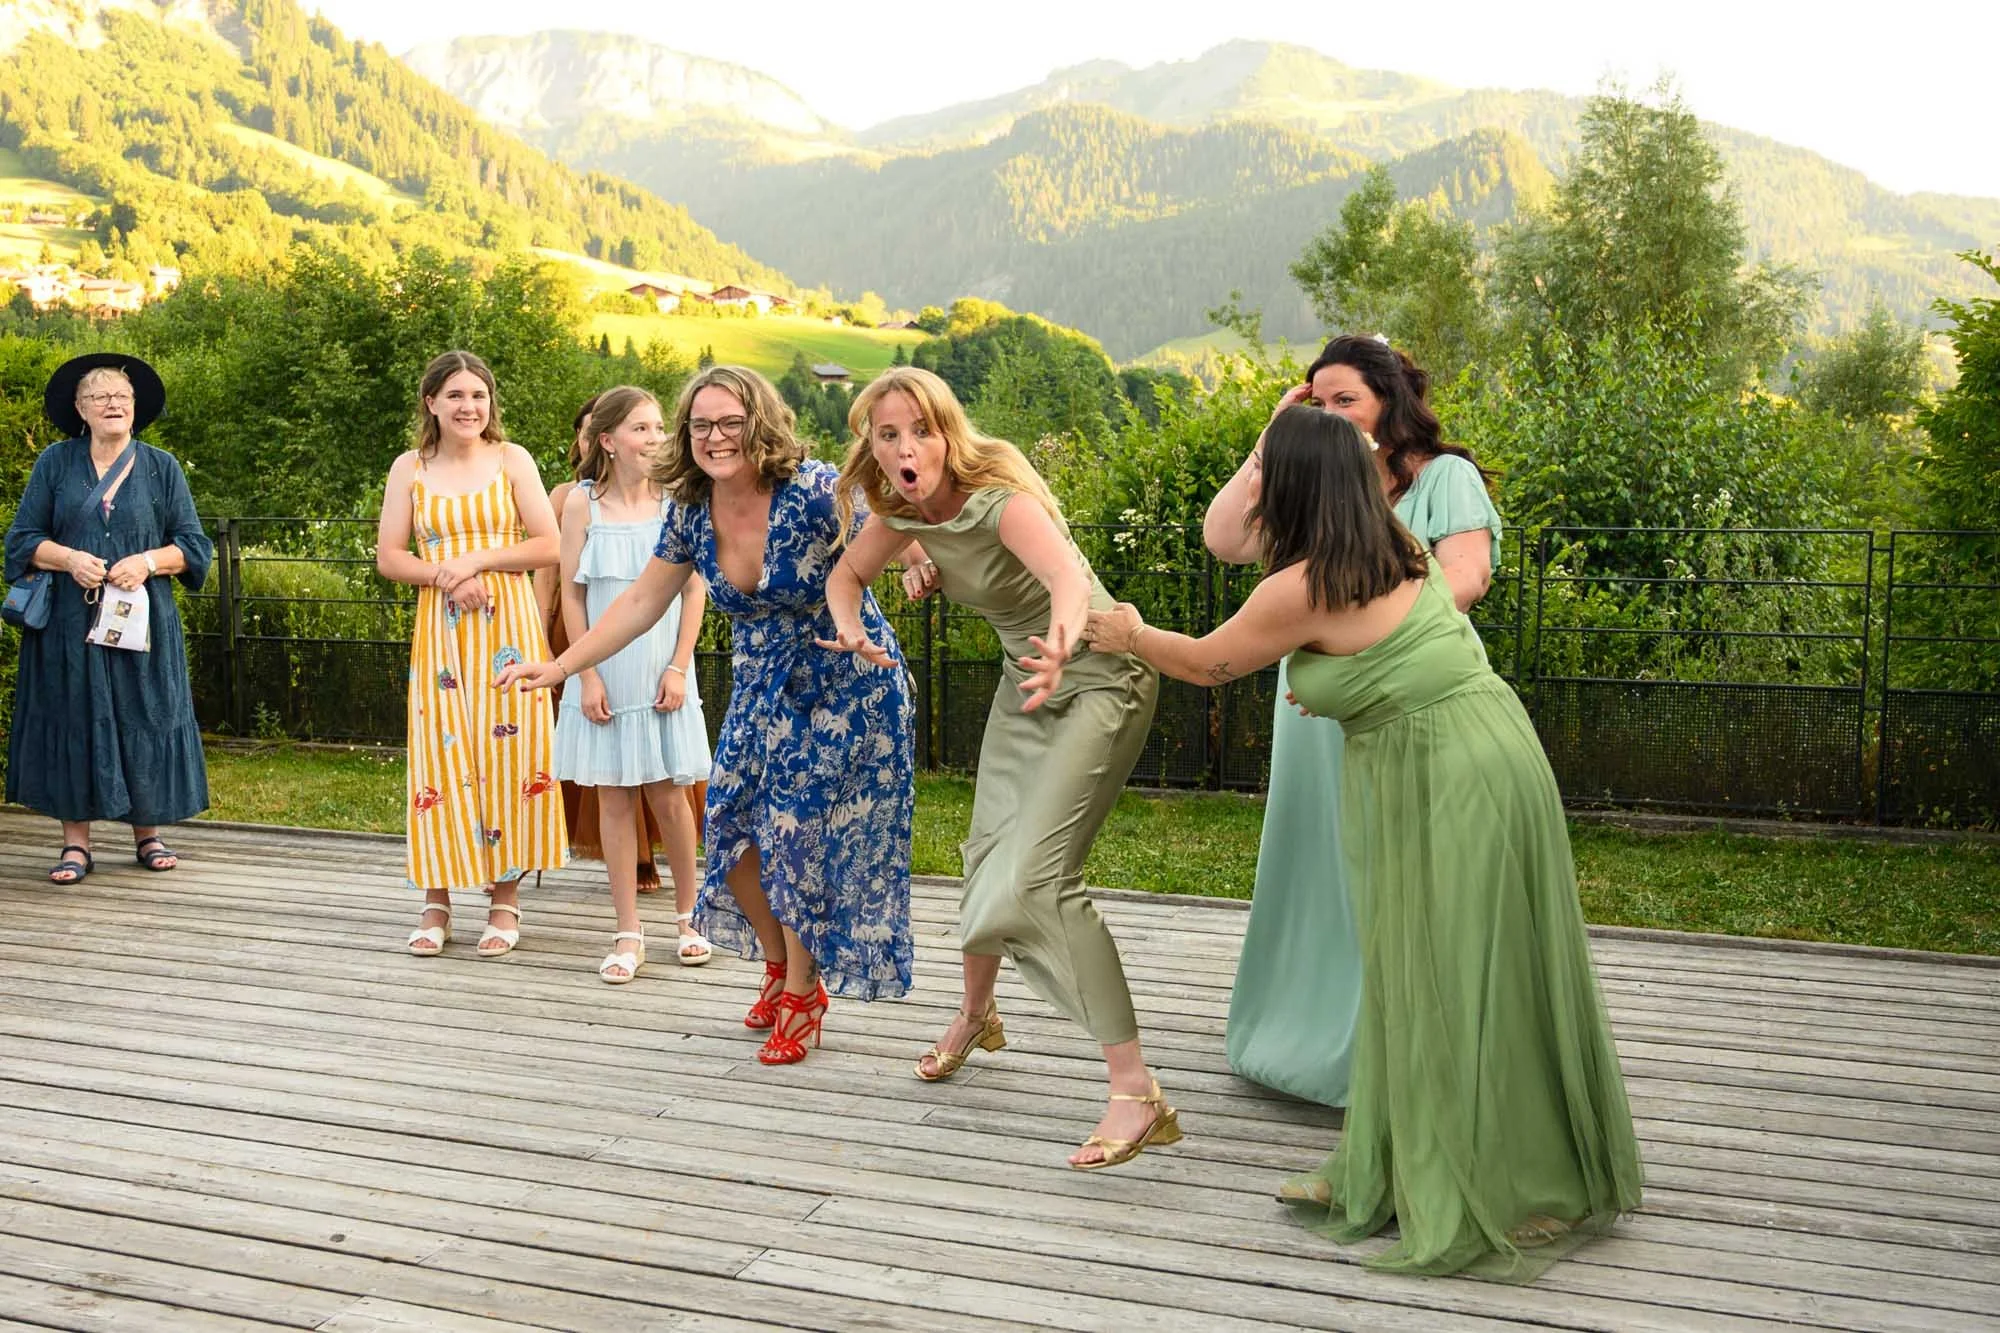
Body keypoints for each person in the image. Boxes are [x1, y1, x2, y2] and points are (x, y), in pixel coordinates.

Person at [1087, 406, 1641, 1278]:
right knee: (1435, 969)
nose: (1257, 484)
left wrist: (1127, 633)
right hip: (1488, 751)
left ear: (1297, 484)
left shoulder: (1301, 586)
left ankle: (1503, 1183)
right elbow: (1399, 648)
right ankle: (1394, 1158)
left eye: (1266, 469)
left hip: (1445, 775)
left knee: (1449, 974)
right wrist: (1338, 681)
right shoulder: (1393, 546)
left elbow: (1205, 662)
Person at [498, 366, 914, 1064]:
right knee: (730, 832)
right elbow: (639, 602)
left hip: (846, 682)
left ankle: (803, 994)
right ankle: (780, 964)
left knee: (796, 837)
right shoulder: (692, 510)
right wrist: (563, 667)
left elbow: (895, 515)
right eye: (700, 425)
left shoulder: (812, 489)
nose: (715, 436)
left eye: (729, 422)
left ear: (760, 424)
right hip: (760, 688)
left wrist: (924, 561)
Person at [821, 367, 1179, 1171]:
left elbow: (1066, 581)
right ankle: (977, 1014)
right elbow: (845, 576)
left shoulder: (1001, 499)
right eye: (889, 434)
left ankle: (1135, 1091)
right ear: (872, 446)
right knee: (983, 855)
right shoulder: (899, 511)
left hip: (1096, 676)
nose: (907, 447)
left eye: (921, 430)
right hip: (1028, 684)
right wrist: (851, 627)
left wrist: (1060, 646)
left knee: (1038, 879)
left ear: (947, 432)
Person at [1202, 334, 1502, 1107]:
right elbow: (1224, 538)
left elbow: (1465, 577)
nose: (1333, 414)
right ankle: (1300, 1039)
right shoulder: (1309, 489)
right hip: (1315, 708)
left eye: (1348, 400)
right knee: (1319, 857)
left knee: (1396, 866)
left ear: (1387, 403)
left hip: (1400, 695)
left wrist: (1360, 645)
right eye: (1319, 401)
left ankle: (1398, 1056)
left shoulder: (1444, 477)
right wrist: (1271, 442)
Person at [375, 350, 567, 957]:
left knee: (511, 751)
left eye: (478, 395)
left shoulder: (513, 459)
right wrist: (446, 577)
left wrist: (475, 562)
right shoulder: (409, 467)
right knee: (441, 752)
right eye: (455, 395)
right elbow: (390, 557)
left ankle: (505, 899)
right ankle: (436, 900)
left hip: (507, 625)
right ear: (431, 402)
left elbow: (550, 544)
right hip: (443, 631)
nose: (469, 406)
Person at [5, 353, 211, 881]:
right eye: (99, 396)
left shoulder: (162, 467)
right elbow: (22, 541)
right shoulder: (55, 462)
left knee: (145, 714)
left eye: (121, 396)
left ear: (135, 407)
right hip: (68, 629)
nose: (112, 404)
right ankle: (76, 845)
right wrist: (69, 559)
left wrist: (147, 563)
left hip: (142, 627)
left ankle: (148, 834)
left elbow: (193, 547)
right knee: (74, 717)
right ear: (80, 409)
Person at [552, 386, 712, 981]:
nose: (656, 438)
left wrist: (679, 666)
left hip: (662, 668)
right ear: (608, 441)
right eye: (641, 428)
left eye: (659, 428)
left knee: (670, 795)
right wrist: (586, 674)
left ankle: (690, 918)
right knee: (614, 798)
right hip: (604, 674)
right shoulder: (580, 505)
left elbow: (693, 589)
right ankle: (627, 932)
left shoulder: (679, 499)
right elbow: (573, 595)